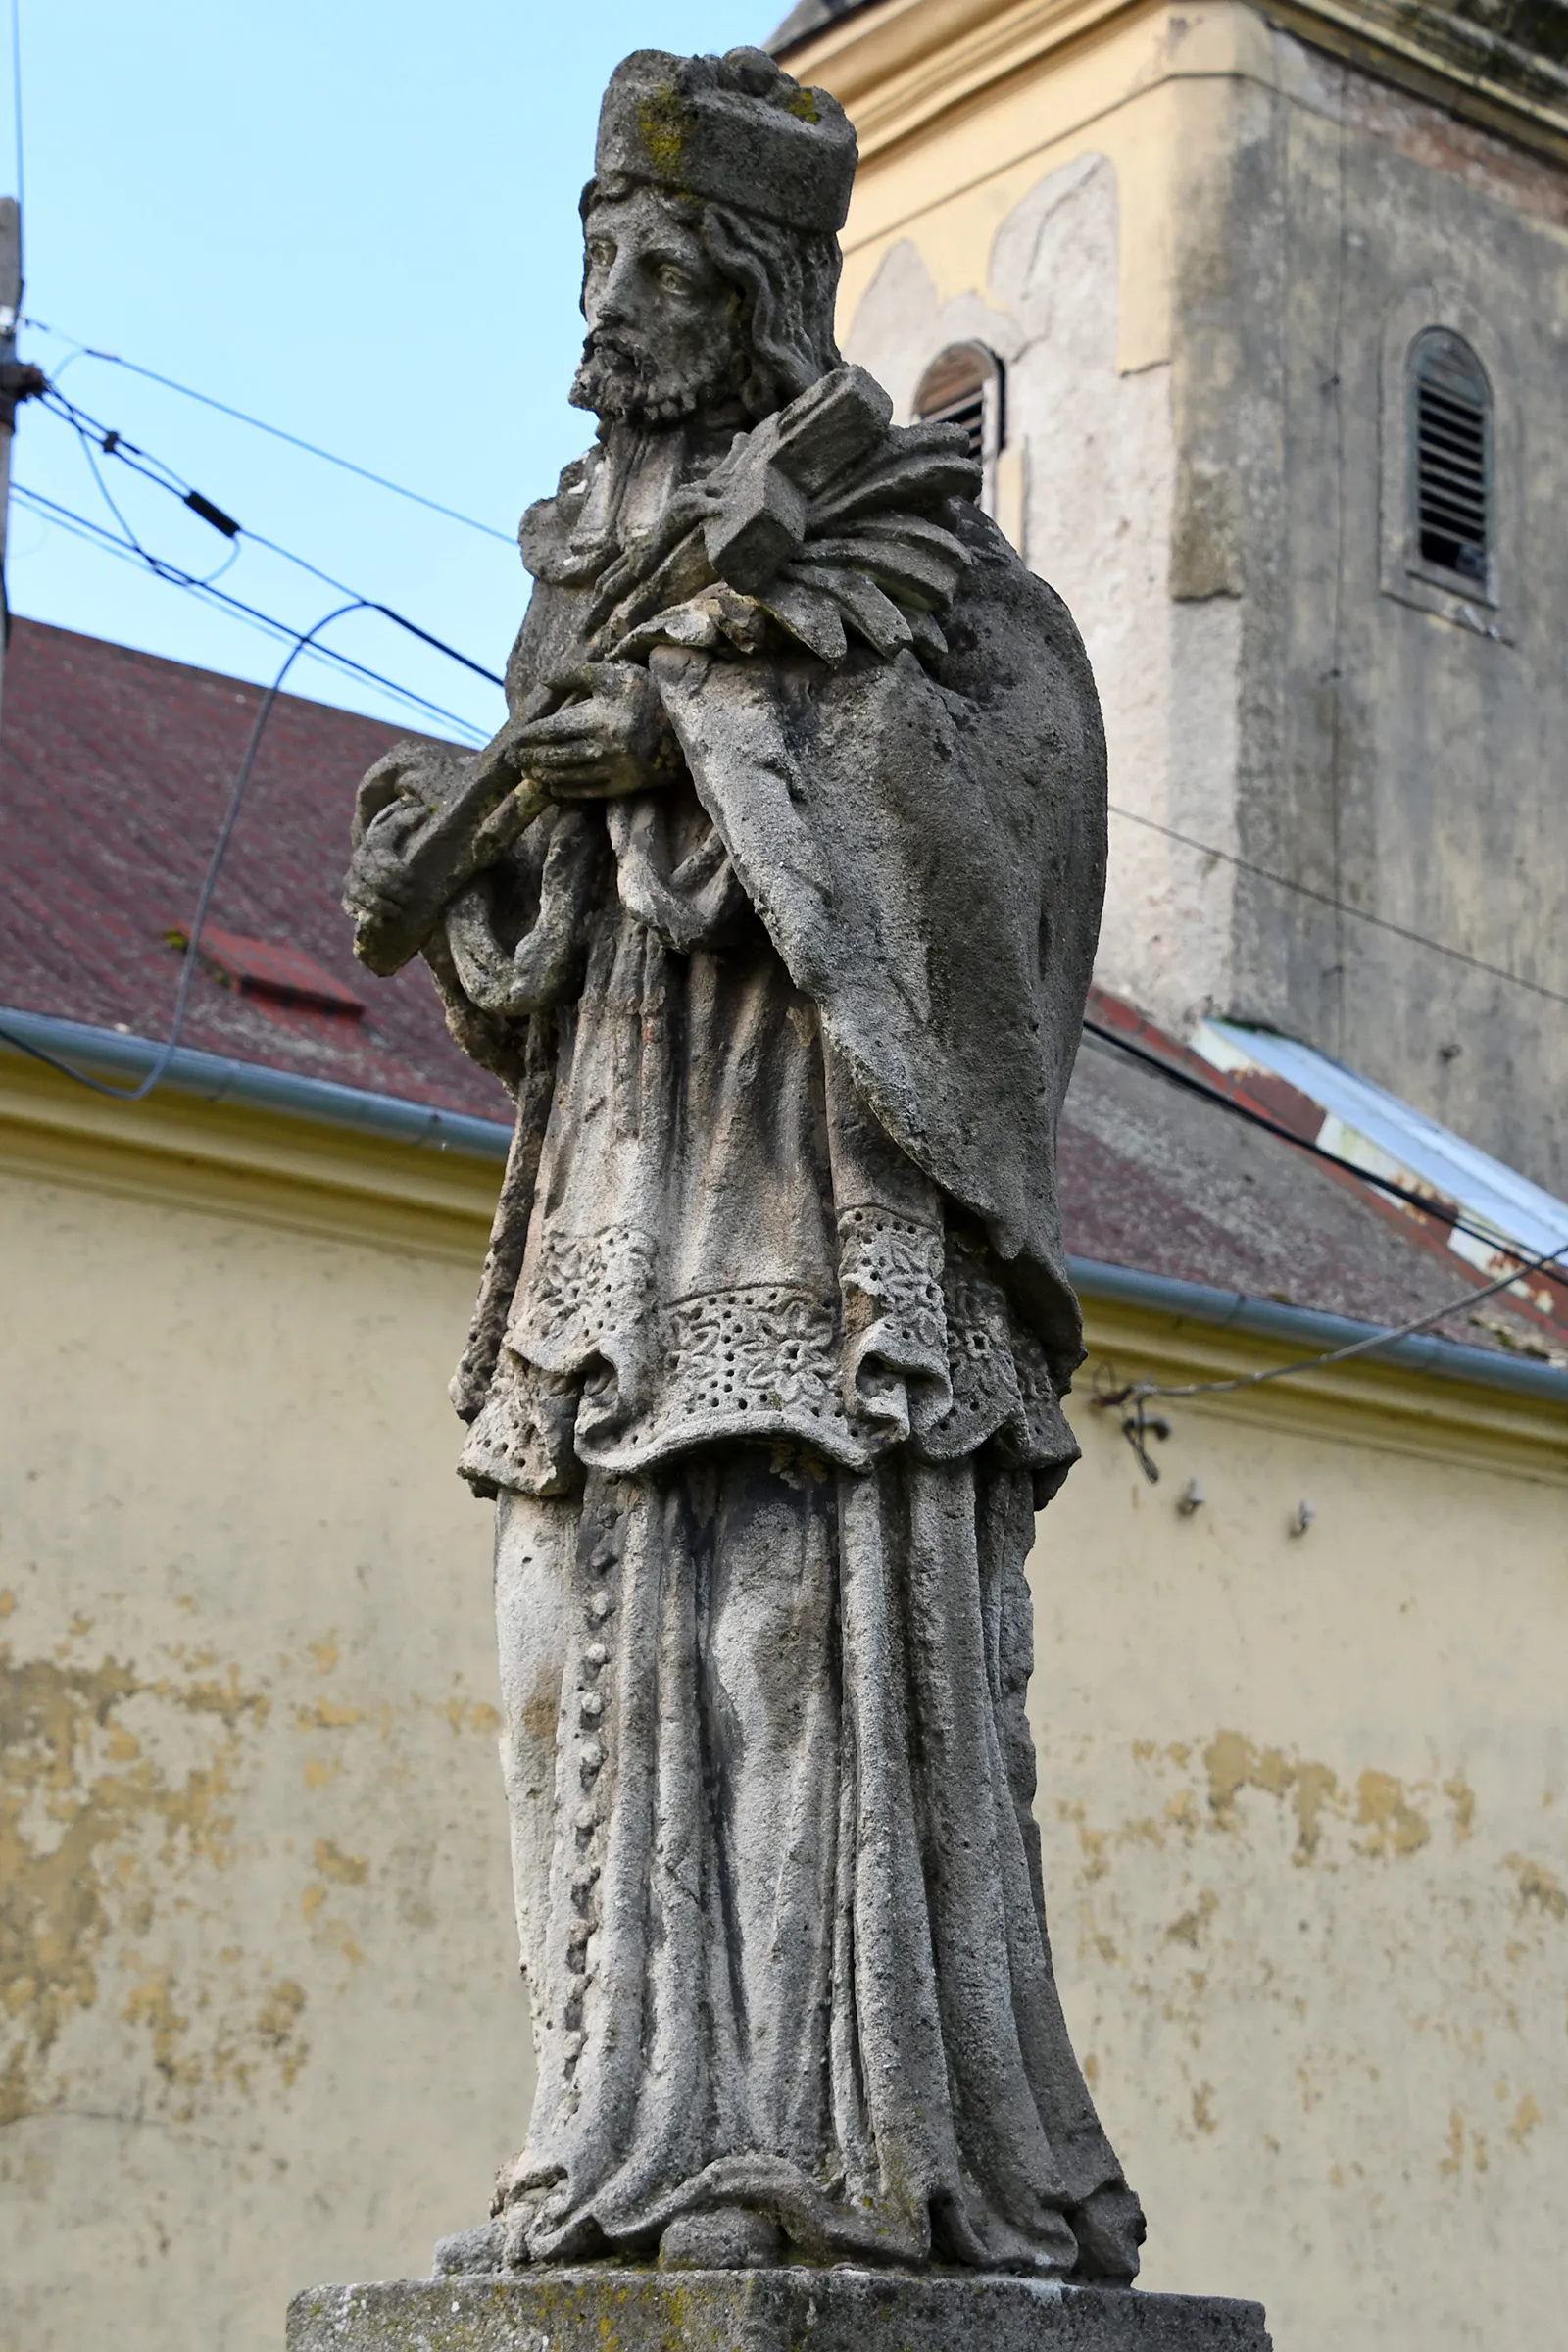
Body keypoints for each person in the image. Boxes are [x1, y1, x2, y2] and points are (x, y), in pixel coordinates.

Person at [343, 42, 1145, 2283]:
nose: (606, 309)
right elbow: (523, 982)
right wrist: (473, 860)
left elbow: (1006, 820)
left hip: (812, 1169)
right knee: (563, 1635)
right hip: (618, 1165)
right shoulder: (577, 555)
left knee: (787, 1629)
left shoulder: (911, 548)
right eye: (595, 259)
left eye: (661, 268)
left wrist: (706, 729)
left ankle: (833, 2148)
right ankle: (605, 2138)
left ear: (767, 295)